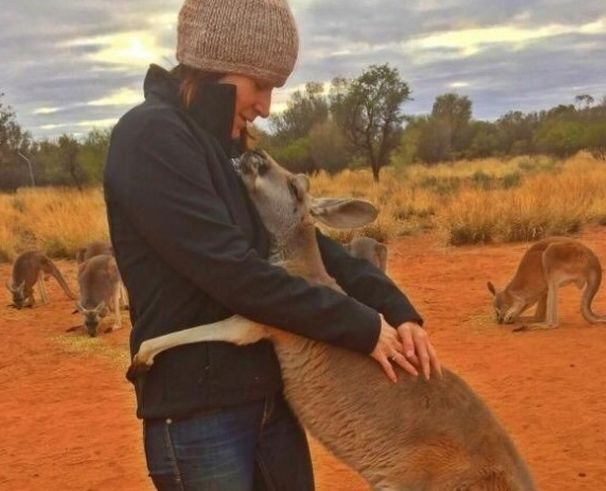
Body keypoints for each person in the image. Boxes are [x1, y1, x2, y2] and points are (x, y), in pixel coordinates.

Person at [103, 0, 441, 489]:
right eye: (259, 85)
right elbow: (233, 275)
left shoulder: (226, 147)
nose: (265, 105)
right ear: (214, 66)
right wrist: (362, 328)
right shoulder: (152, 137)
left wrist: (396, 310)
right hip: (200, 414)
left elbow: (304, 241)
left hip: (267, 400)